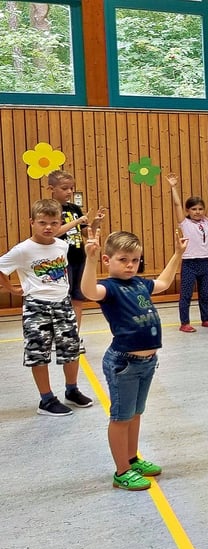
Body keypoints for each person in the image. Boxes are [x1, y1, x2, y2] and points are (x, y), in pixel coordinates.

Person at [80, 228, 186, 491]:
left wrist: (178, 255)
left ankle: (132, 458)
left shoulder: (139, 283)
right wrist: (90, 259)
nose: (130, 265)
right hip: (124, 363)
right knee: (121, 418)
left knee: (136, 414)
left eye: (135, 260)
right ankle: (121, 471)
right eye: (123, 260)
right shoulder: (109, 288)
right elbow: (89, 291)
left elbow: (162, 283)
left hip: (147, 362)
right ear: (108, 260)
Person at [0, 199, 92, 416]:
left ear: (60, 223)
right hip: (36, 306)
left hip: (63, 304)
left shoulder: (62, 245)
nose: (48, 227)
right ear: (32, 222)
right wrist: (12, 289)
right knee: (38, 353)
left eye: (53, 222)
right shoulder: (23, 250)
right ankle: (47, 400)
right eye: (42, 222)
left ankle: (72, 390)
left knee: (71, 349)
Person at [48, 169, 106, 351]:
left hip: (78, 258)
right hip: (59, 261)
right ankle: (57, 337)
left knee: (77, 299)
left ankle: (74, 336)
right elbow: (55, 232)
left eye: (71, 188)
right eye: (64, 188)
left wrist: (95, 222)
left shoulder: (74, 209)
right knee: (60, 300)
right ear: (52, 189)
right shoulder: (49, 208)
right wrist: (76, 221)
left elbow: (82, 232)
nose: (69, 192)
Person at [167, 171, 208, 330]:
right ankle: (184, 323)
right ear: (188, 210)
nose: (197, 212)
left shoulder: (207, 222)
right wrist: (173, 187)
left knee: (205, 294)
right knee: (186, 295)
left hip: (205, 262)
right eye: (194, 209)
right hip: (189, 263)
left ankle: (206, 319)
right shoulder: (184, 223)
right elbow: (177, 205)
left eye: (200, 209)